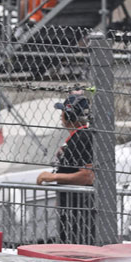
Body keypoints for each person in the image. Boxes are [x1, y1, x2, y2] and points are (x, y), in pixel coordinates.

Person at [36, 91, 94, 244]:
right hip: (70, 206)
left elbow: (87, 176)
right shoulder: (77, 137)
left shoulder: (83, 137)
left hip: (79, 210)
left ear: (70, 116)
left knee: (75, 245)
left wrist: (52, 177)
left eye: (63, 112)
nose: (60, 115)